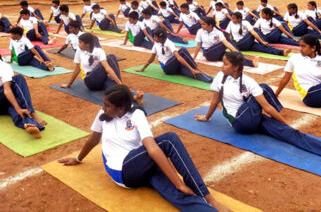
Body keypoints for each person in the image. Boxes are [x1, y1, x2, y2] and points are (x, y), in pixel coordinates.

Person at [58, 84, 229, 212]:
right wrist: (78, 159)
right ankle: (209, 198)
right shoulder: (102, 115)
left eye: (107, 105)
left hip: (140, 166)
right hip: (122, 170)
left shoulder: (136, 114)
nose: (103, 107)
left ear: (121, 108)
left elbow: (151, 149)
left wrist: (177, 186)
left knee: (178, 195)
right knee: (169, 140)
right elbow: (93, 140)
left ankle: (208, 208)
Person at [195, 52, 321, 161]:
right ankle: (281, 118)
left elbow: (266, 108)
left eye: (225, 64)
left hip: (252, 118)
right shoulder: (220, 77)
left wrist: (286, 126)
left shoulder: (247, 81)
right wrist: (207, 117)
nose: (221, 66)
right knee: (265, 89)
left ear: (236, 67)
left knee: (289, 133)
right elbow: (215, 100)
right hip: (241, 122)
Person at [137, 28, 213, 83]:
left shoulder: (169, 43)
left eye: (155, 37)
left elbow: (179, 58)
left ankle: (208, 78)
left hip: (175, 66)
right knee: (183, 51)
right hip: (168, 68)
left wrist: (191, 70)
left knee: (191, 73)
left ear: (161, 38)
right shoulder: (157, 44)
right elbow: (152, 58)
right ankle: (198, 69)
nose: (154, 38)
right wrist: (143, 68)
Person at [0, 57, 46, 138]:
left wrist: (17, 108)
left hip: (2, 105)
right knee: (18, 79)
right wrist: (18, 108)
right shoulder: (4, 66)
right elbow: (7, 90)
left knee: (13, 106)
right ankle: (31, 112)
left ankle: (31, 125)